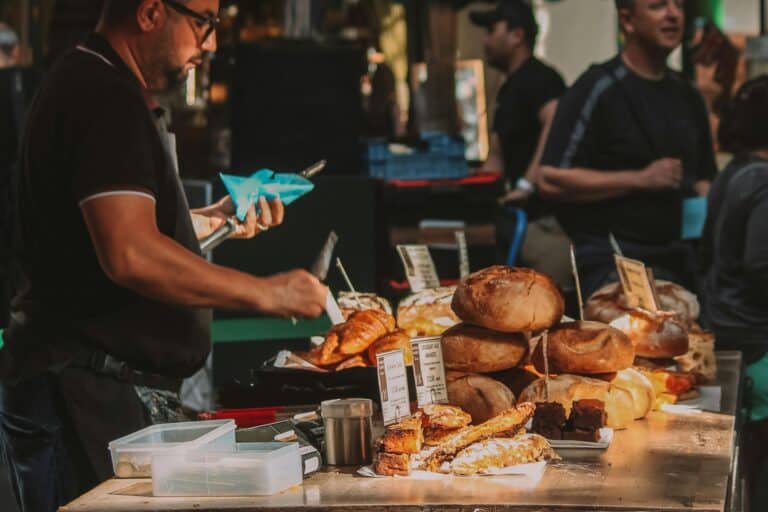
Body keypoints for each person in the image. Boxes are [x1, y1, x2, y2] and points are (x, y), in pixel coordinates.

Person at [0, 1, 328, 511]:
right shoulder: (100, 94)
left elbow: (116, 231)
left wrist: (211, 220)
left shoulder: (104, 85)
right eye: (204, 22)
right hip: (78, 397)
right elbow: (130, 252)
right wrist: (269, 292)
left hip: (98, 393)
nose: (212, 42)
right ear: (152, 11)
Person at [539, 0, 717, 296]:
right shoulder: (598, 86)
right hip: (614, 257)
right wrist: (640, 179)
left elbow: (704, 178)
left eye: (679, 6)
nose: (673, 14)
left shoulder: (686, 93)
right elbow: (550, 177)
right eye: (658, 5)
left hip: (681, 256)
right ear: (628, 20)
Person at [699, 76, 768, 511]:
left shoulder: (735, 171)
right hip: (758, 343)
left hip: (726, 327)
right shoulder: (763, 180)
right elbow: (761, 266)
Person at [469, 0, 571, 286]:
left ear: (517, 35)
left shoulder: (540, 78)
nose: (485, 40)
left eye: (491, 30)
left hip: (547, 223)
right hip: (517, 222)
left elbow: (556, 123)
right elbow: (498, 154)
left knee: (550, 307)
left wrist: (528, 183)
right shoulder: (508, 88)